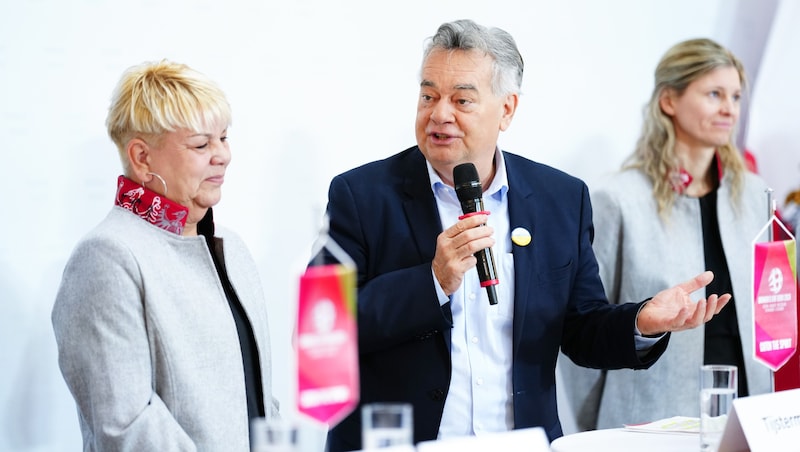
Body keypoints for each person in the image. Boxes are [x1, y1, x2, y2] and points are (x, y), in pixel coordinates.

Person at [314, 20, 731, 451]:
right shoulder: (361, 196)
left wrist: (641, 321)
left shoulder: (560, 199)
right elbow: (322, 331)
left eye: (462, 100)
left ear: (507, 110)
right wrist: (432, 281)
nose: (439, 114)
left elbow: (581, 328)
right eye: (428, 96)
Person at [51, 60, 279, 451]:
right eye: (201, 144)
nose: (222, 155)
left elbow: (259, 402)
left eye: (224, 138)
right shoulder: (106, 258)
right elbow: (126, 426)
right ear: (141, 157)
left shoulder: (232, 248)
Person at [558, 38, 774, 432]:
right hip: (648, 425)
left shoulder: (758, 195)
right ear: (668, 101)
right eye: (714, 94)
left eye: (736, 96)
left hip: (749, 418)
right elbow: (584, 330)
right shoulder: (617, 199)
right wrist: (594, 431)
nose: (730, 108)